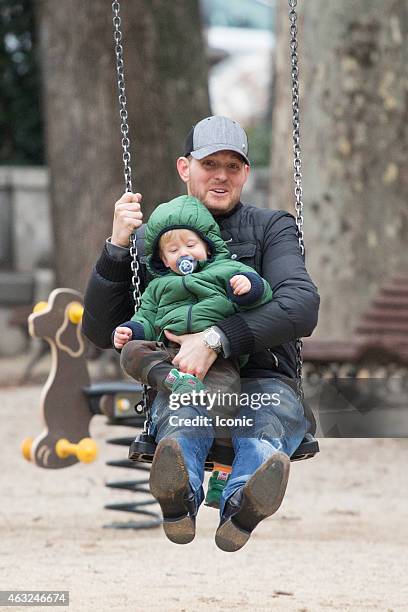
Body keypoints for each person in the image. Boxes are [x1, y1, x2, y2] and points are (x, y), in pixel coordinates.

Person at [83, 115, 320, 552]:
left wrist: (216, 340)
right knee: (183, 420)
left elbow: (301, 307)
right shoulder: (157, 239)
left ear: (246, 173)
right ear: (184, 167)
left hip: (265, 381)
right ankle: (179, 497)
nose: (222, 175)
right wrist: (118, 246)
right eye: (211, 163)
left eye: (233, 166)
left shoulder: (271, 228)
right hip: (182, 381)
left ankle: (243, 504)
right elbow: (99, 331)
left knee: (264, 427)